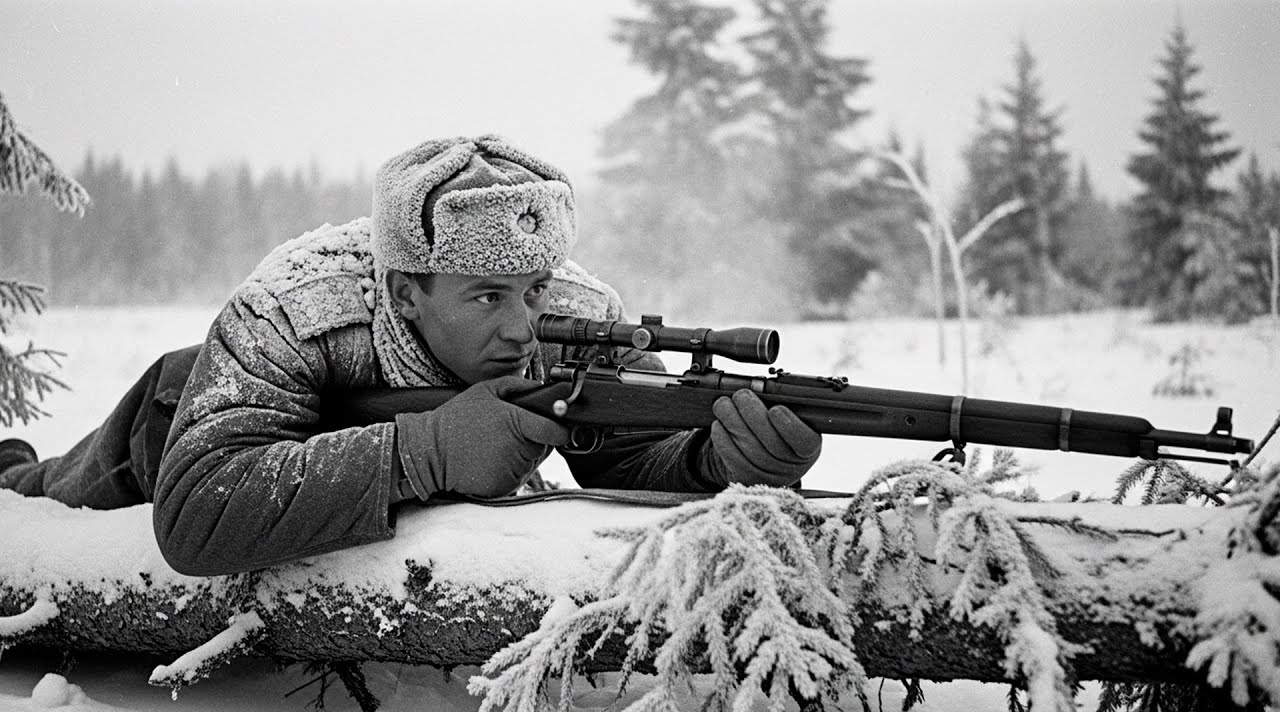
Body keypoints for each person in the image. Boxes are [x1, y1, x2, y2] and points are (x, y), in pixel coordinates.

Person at [0, 135, 821, 576]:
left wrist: (716, 459)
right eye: (486, 299)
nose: (524, 328)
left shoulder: (580, 311)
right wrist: (422, 452)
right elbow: (194, 517)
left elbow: (633, 454)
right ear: (405, 293)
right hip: (180, 413)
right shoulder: (293, 305)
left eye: (533, 291)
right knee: (47, 490)